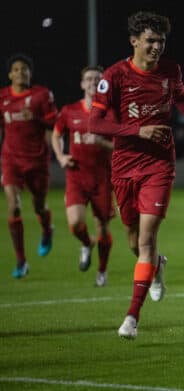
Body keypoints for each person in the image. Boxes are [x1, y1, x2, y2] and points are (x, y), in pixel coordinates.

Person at [88, 11, 184, 338]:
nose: (156, 47)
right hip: (124, 165)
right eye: (150, 41)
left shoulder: (171, 70)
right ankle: (155, 268)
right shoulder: (115, 75)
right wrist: (138, 130)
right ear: (134, 41)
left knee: (147, 237)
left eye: (161, 41)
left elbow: (178, 94)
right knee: (134, 240)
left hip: (159, 165)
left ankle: (132, 317)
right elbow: (95, 123)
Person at [52, 65, 115, 287]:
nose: (93, 82)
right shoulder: (69, 111)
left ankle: (102, 270)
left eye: (97, 79)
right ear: (82, 84)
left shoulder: (110, 113)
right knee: (76, 223)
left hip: (103, 178)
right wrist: (60, 156)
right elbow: (57, 134)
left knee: (104, 228)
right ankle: (86, 243)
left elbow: (120, 147)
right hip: (77, 175)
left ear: (103, 84)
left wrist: (101, 142)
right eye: (88, 79)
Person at [0, 53, 58, 278]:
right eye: (16, 69)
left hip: (37, 160)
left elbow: (54, 123)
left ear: (30, 73)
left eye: (24, 69)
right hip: (11, 160)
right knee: (13, 206)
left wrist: (35, 119)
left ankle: (46, 229)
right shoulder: (3, 98)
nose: (20, 72)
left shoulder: (41, 95)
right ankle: (21, 261)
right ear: (9, 74)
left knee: (39, 206)